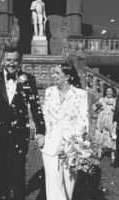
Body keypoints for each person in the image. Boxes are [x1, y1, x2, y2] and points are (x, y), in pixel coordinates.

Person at [0, 46, 46, 200]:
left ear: (20, 61)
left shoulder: (29, 79)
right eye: (8, 60)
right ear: (3, 60)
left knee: (18, 171)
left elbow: (35, 106)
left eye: (15, 60)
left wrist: (41, 130)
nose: (12, 63)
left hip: (19, 133)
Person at [41, 63, 89, 200]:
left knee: (69, 184)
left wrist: (81, 147)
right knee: (53, 182)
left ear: (67, 76)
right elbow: (45, 115)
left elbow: (84, 121)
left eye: (57, 73)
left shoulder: (80, 94)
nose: (53, 75)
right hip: (50, 143)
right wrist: (42, 136)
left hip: (71, 145)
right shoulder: (49, 92)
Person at [93, 86, 116, 163]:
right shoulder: (101, 99)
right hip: (102, 120)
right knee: (100, 136)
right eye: (107, 91)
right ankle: (99, 153)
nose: (109, 92)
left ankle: (113, 155)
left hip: (111, 121)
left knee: (112, 136)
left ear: (113, 92)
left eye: (110, 91)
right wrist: (98, 106)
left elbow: (118, 110)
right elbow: (95, 108)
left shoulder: (115, 100)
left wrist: (113, 106)